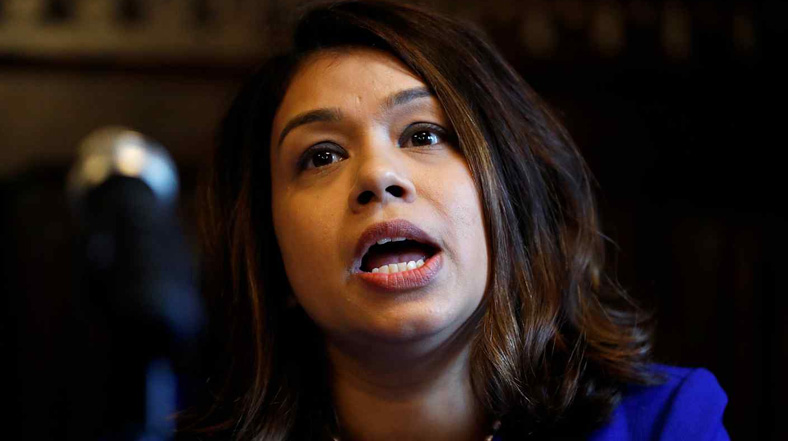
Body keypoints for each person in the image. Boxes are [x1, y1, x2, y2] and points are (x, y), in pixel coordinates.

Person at [184, 1, 729, 439]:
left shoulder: (665, 424)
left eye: (423, 135)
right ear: (267, 245)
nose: (377, 174)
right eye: (322, 155)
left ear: (511, 197)